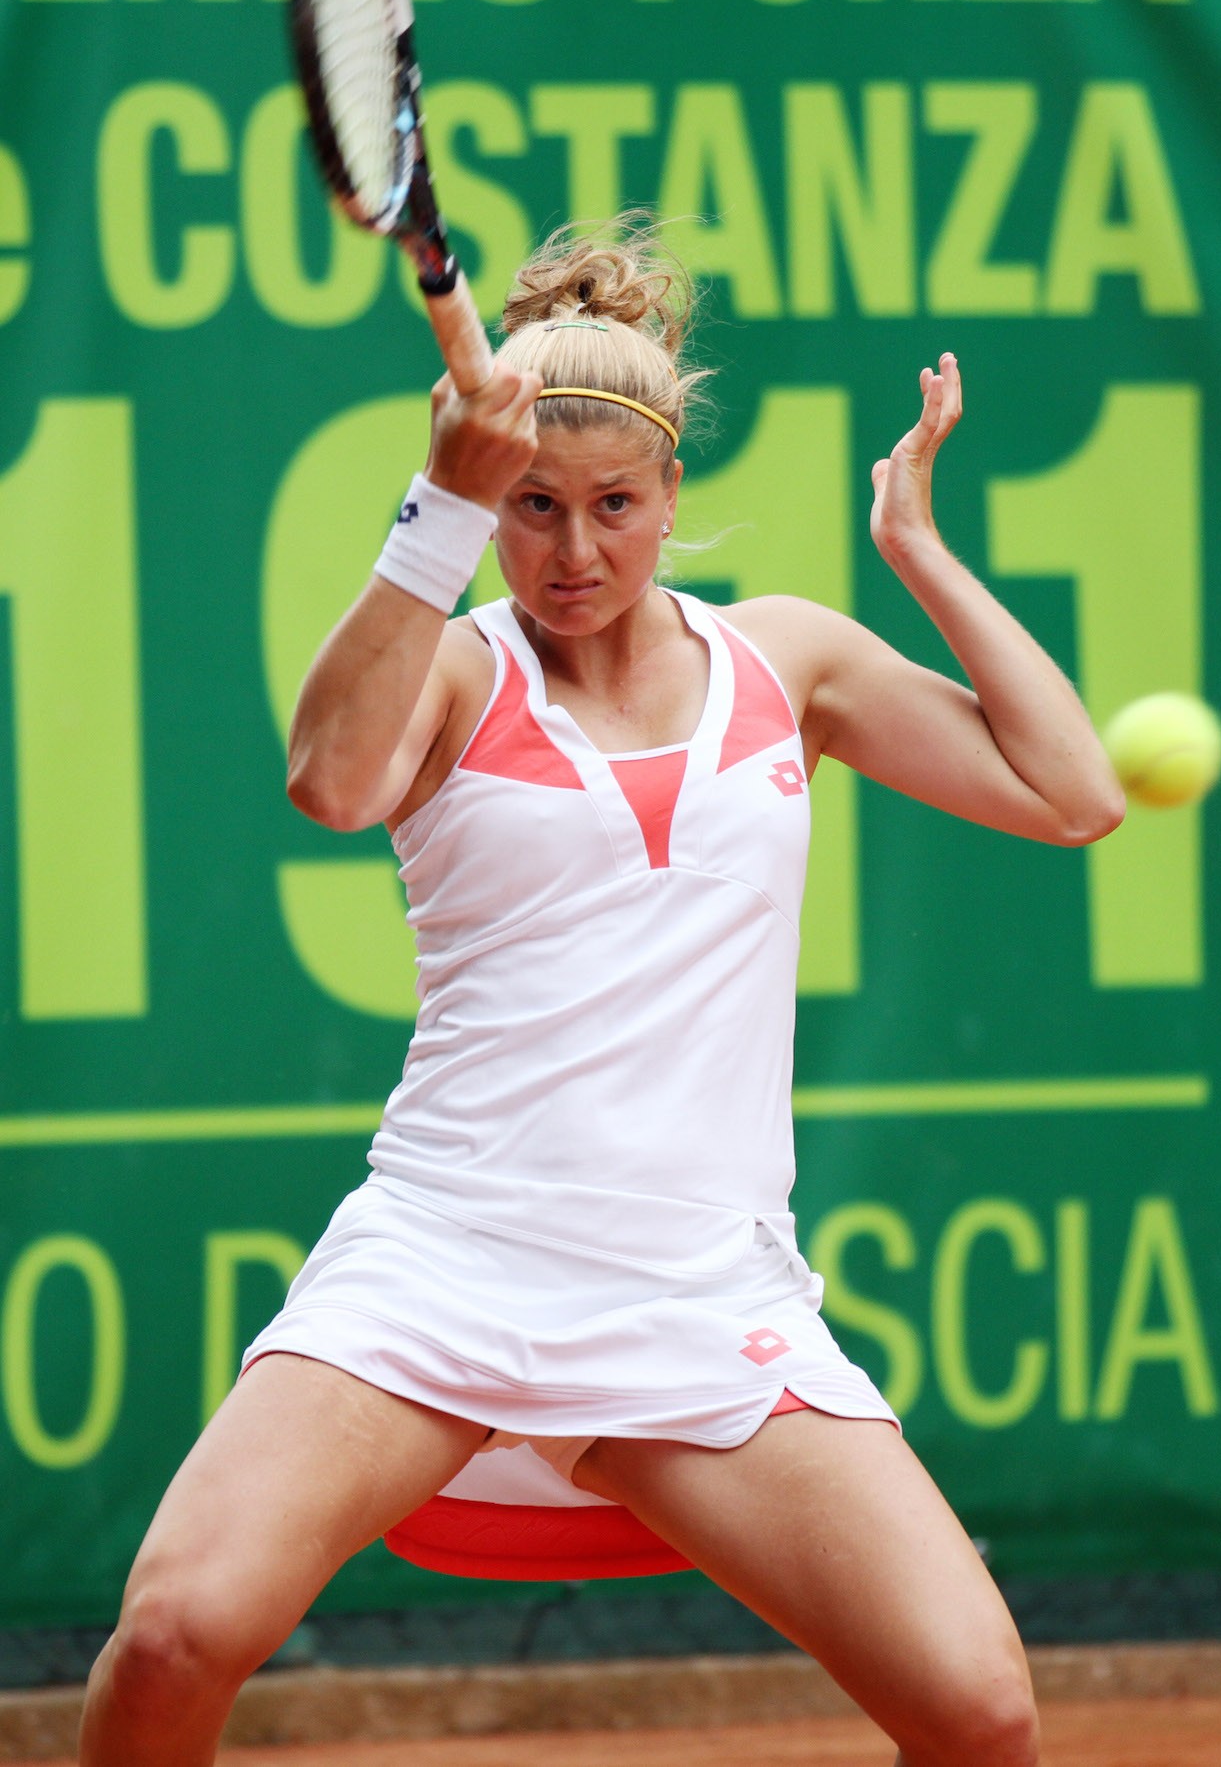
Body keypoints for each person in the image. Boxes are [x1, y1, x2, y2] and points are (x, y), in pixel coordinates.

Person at [79, 223, 1124, 1767]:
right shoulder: (451, 671)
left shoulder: (791, 663)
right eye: (533, 509)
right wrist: (431, 510)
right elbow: (326, 781)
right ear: (491, 509)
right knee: (174, 1633)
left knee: (977, 1709)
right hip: (444, 1260)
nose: (575, 555)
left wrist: (920, 553)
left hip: (700, 1294)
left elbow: (1074, 792)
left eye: (615, 508)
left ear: (671, 497)